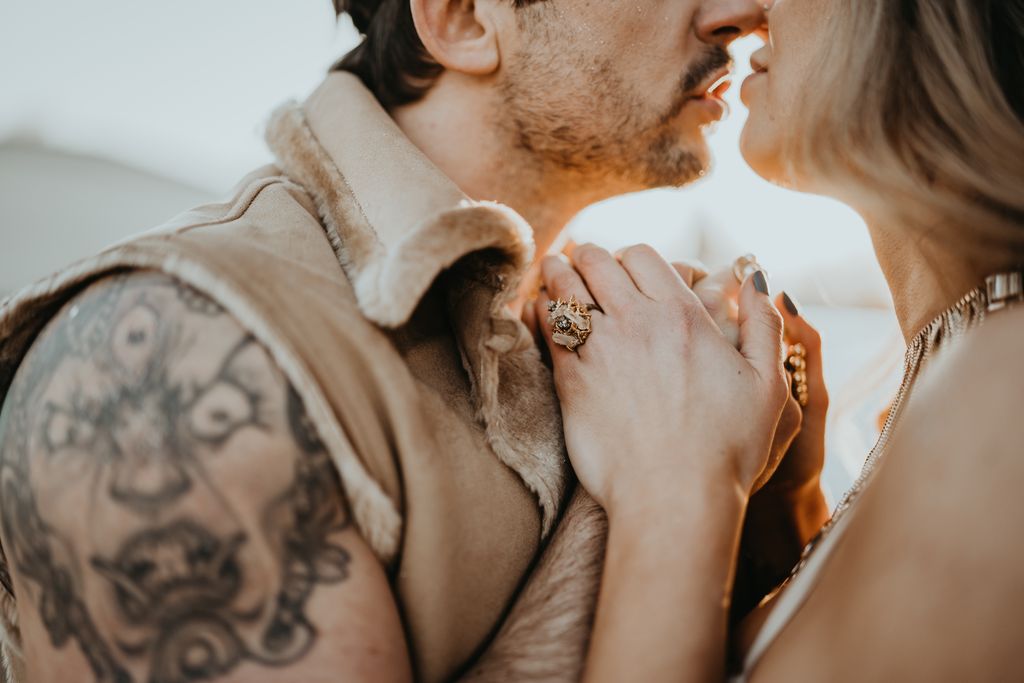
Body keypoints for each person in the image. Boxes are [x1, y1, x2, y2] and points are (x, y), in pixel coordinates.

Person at [0, 1, 780, 681]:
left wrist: (772, 495)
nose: (743, 11)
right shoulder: (168, 371)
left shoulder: (642, 340)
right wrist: (675, 482)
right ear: (465, 17)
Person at [527, 0, 1024, 680]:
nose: (747, 12)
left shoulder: (1007, 386)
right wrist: (779, 510)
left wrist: (677, 481)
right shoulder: (962, 365)